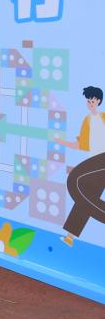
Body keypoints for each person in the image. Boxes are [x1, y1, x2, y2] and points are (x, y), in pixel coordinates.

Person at [53, 85, 105, 248]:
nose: (90, 103)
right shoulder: (87, 120)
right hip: (95, 162)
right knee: (88, 196)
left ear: (99, 101)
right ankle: (70, 236)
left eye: (93, 101)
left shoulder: (103, 117)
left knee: (74, 180)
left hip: (102, 159)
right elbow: (81, 144)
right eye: (88, 101)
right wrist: (62, 142)